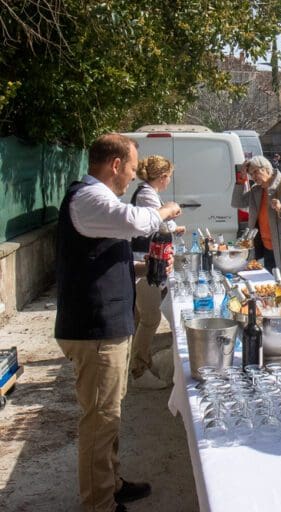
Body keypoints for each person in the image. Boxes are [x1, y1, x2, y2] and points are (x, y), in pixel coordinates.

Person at [55, 133, 181, 512]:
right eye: (131, 167)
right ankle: (99, 503)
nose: (133, 175)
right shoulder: (88, 197)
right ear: (115, 165)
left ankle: (110, 483)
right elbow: (136, 221)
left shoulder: (100, 203)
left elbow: (104, 256)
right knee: (100, 420)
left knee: (109, 414)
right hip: (94, 329)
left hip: (107, 327)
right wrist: (166, 211)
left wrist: (145, 266)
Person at [129, 155, 186, 389]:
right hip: (143, 262)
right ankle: (138, 371)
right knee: (150, 317)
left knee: (142, 317)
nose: (169, 180)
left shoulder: (148, 192)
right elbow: (155, 223)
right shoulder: (146, 194)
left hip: (144, 259)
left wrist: (171, 223)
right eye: (169, 176)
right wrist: (171, 220)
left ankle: (139, 362)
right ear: (162, 176)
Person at [231, 155, 281, 288]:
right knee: (271, 291)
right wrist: (241, 179)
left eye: (255, 172)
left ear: (266, 169)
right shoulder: (256, 190)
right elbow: (237, 202)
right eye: (251, 174)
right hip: (268, 250)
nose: (253, 177)